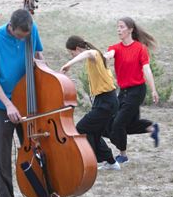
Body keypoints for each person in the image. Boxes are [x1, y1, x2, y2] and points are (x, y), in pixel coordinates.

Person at [0, 9, 44, 197]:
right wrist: (8, 105)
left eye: (26, 36)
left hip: (29, 102)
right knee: (2, 157)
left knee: (36, 152)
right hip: (2, 104)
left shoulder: (30, 30)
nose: (23, 38)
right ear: (11, 27)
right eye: (19, 35)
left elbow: (38, 57)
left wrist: (49, 77)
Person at [104, 17, 160, 164]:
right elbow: (110, 55)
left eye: (122, 27)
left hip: (137, 91)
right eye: (117, 27)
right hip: (123, 92)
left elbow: (146, 69)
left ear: (130, 29)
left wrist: (153, 90)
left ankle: (123, 155)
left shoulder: (140, 48)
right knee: (126, 125)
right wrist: (105, 57)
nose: (119, 30)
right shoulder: (115, 48)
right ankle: (151, 128)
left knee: (118, 124)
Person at [60, 36, 121, 171]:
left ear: (76, 49)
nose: (72, 55)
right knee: (94, 132)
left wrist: (69, 63)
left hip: (107, 102)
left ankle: (91, 160)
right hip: (104, 101)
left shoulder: (94, 55)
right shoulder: (93, 59)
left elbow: (88, 53)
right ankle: (111, 162)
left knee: (81, 128)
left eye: (72, 53)